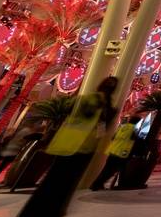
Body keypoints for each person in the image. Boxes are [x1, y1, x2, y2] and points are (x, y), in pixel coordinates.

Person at [18, 77, 119, 217]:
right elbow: (103, 128)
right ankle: (54, 209)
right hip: (85, 147)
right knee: (66, 183)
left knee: (53, 181)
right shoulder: (106, 106)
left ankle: (38, 210)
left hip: (68, 144)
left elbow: (67, 109)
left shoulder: (88, 100)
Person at [90, 115, 141, 190]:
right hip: (122, 153)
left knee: (106, 169)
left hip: (113, 150)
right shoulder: (134, 129)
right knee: (113, 170)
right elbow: (135, 140)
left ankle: (96, 184)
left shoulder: (122, 127)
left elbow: (113, 137)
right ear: (137, 122)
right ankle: (99, 185)